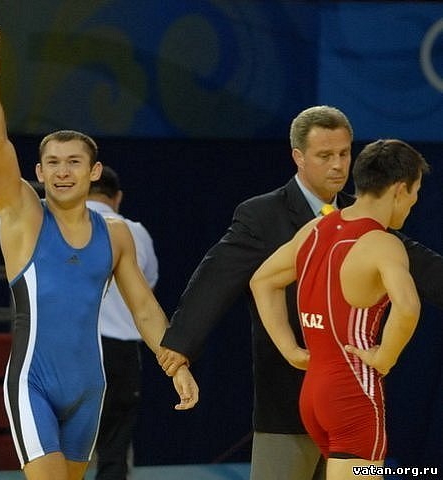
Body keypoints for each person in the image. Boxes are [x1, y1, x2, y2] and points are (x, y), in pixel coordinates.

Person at [156, 105, 443, 480]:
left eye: (344, 153)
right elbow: (215, 278)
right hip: (294, 397)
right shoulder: (263, 215)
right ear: (299, 157)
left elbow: (423, 266)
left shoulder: (354, 217)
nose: (337, 165)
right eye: (325, 155)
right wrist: (180, 346)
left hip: (324, 393)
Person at [0, 27, 198, 480]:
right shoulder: (23, 216)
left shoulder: (116, 235)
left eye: (74, 162)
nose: (63, 172)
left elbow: (144, 309)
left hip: (90, 388)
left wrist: (176, 365)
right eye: (53, 163)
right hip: (33, 383)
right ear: (39, 172)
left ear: (94, 172)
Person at [250, 139, 429, 480]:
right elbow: (407, 306)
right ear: (400, 189)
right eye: (415, 192)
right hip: (353, 394)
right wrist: (385, 357)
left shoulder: (315, 229)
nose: (414, 202)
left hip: (313, 393)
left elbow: (263, 280)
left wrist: (290, 350)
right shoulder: (382, 243)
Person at [86, 166, 158, 480]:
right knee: (115, 448)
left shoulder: (58, 228)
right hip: (121, 353)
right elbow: (146, 288)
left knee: (61, 443)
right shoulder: (135, 232)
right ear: (117, 197)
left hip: (75, 349)